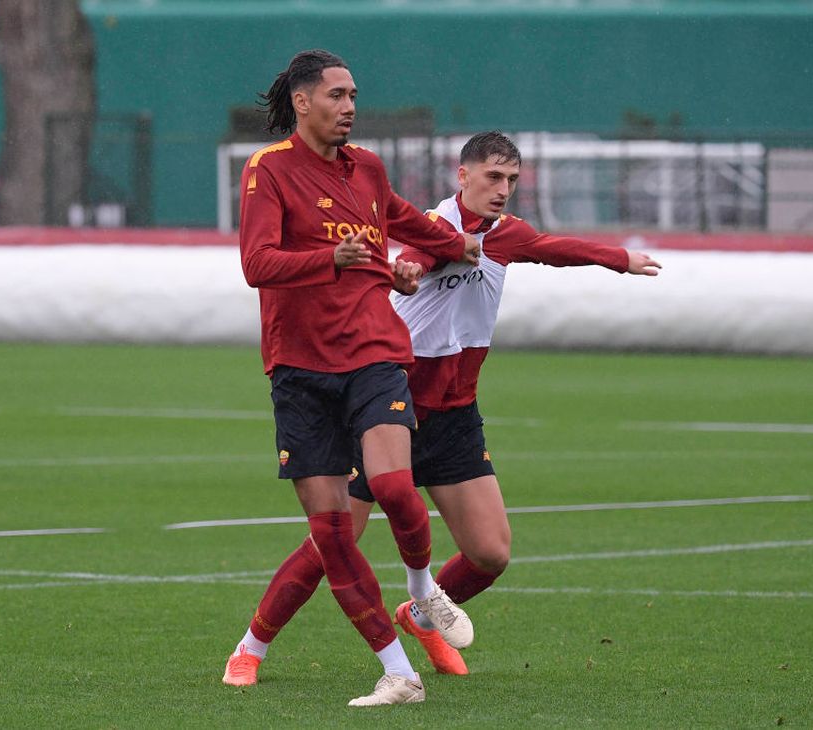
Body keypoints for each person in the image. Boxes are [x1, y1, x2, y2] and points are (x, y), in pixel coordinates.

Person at [227, 129, 662, 680]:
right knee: (330, 543)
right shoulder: (437, 229)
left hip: (455, 415)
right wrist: (407, 270)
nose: (502, 189)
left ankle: (420, 615)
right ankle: (251, 646)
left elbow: (554, 249)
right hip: (392, 411)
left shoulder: (506, 234)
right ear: (463, 176)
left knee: (490, 553)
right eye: (492, 177)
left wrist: (620, 259)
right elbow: (412, 255)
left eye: (511, 180)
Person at [223, 49, 480, 707]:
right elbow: (257, 264)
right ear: (302, 102)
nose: (350, 107)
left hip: (373, 352)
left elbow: (399, 218)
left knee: (394, 486)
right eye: (337, 95)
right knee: (333, 535)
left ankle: (422, 594)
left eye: (354, 96)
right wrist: (331, 259)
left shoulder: (366, 167)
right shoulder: (267, 169)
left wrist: (452, 246)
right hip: (300, 368)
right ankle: (397, 671)